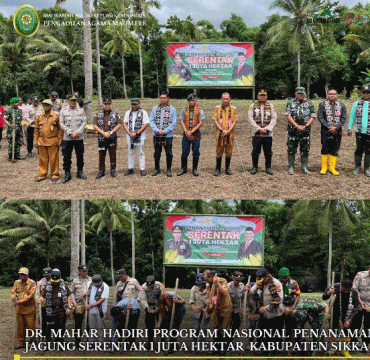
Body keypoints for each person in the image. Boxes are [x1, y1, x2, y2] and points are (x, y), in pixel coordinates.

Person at [245, 268, 284, 355]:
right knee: (264, 332)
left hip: (276, 314)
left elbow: (279, 299)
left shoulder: (276, 284)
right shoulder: (260, 282)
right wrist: (248, 288)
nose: (261, 281)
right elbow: (251, 292)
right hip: (265, 314)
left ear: (267, 276)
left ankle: (274, 351)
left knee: (275, 334)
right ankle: (265, 349)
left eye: (262, 278)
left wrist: (267, 307)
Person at [285, 87, 316, 174]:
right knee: (291, 148)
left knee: (305, 149)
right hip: (293, 130)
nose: (300, 95)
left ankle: (304, 166)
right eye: (298, 93)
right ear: (295, 94)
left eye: (302, 93)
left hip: (305, 131)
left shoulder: (309, 103)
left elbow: (313, 116)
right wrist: (296, 126)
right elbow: (288, 115)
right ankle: (291, 166)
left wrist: (305, 126)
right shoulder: (290, 102)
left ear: (305, 94)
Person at [317, 88, 347, 175]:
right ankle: (324, 168)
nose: (332, 95)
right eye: (330, 94)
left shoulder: (342, 105)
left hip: (337, 131)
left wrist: (336, 127)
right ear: (327, 95)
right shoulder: (322, 104)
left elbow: (344, 118)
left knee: (335, 149)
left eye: (334, 94)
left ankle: (332, 168)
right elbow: (320, 117)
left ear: (337, 95)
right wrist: (328, 126)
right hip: (325, 130)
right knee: (325, 148)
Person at [248, 89, 277, 175]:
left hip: (268, 134)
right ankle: (254, 167)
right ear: (257, 96)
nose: (262, 97)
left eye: (264, 95)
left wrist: (267, 128)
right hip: (256, 133)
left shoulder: (271, 106)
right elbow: (250, 118)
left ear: (266, 96)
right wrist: (258, 128)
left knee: (268, 151)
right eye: (261, 95)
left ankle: (268, 167)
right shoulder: (252, 106)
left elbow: (274, 118)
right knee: (255, 151)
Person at [203, 269, 232, 355]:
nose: (206, 281)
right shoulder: (208, 284)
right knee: (216, 328)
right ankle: (216, 348)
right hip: (216, 308)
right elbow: (209, 295)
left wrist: (217, 284)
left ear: (212, 277)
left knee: (224, 329)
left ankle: (223, 349)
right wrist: (207, 301)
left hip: (225, 308)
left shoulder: (222, 281)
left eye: (207, 279)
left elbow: (225, 293)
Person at [59, 95, 87, 183]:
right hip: (67, 138)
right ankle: (67, 173)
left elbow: (84, 122)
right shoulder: (63, 111)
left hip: (79, 137)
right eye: (71, 101)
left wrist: (77, 132)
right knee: (66, 156)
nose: (73, 102)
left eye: (74, 101)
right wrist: (70, 132)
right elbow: (61, 123)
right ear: (68, 101)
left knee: (80, 155)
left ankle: (80, 172)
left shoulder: (81, 111)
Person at [34, 99, 63, 182]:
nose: (46, 107)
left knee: (54, 159)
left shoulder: (56, 116)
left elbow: (60, 130)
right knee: (42, 159)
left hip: (52, 141)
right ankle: (42, 174)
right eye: (44, 105)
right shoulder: (39, 116)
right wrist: (35, 140)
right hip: (41, 141)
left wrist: (60, 139)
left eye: (47, 105)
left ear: (51, 106)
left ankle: (54, 174)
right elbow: (36, 130)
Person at [39, 269, 72, 342]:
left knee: (61, 327)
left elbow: (69, 295)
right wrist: (41, 299)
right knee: (49, 327)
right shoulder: (47, 285)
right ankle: (48, 341)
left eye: (56, 281)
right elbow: (42, 296)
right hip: (50, 310)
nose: (54, 283)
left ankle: (60, 341)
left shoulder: (64, 285)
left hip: (61, 310)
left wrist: (69, 307)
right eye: (53, 281)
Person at [149, 91, 177, 177]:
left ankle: (168, 169)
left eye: (164, 98)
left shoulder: (172, 109)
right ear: (159, 98)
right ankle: (157, 169)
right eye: (161, 98)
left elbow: (173, 123)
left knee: (168, 152)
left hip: (167, 135)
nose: (163, 99)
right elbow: (151, 121)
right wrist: (157, 130)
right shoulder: (155, 109)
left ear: (168, 98)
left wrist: (164, 131)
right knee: (157, 152)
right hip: (157, 134)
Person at [93, 98, 122, 179]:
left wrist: (111, 132)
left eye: (109, 104)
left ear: (111, 105)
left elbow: (119, 124)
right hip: (102, 137)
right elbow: (95, 125)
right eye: (105, 104)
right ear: (103, 105)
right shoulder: (98, 114)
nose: (107, 106)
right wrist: (103, 133)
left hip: (112, 136)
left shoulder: (115, 114)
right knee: (102, 154)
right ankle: (101, 171)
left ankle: (113, 170)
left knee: (113, 154)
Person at [177, 93, 204, 176]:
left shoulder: (200, 109)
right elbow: (181, 121)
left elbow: (201, 122)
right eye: (190, 100)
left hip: (195, 133)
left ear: (195, 100)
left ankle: (194, 169)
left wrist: (191, 132)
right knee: (185, 151)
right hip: (186, 133)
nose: (192, 102)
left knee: (196, 151)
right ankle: (183, 168)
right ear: (188, 101)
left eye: (193, 100)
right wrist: (186, 131)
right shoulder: (184, 109)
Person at [112, 269, 142, 344]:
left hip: (132, 306)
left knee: (132, 325)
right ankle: (120, 341)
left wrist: (137, 300)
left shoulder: (133, 281)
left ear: (125, 274)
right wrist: (115, 306)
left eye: (121, 276)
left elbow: (141, 290)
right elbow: (116, 295)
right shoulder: (119, 283)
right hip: (122, 307)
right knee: (121, 324)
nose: (120, 278)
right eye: (119, 277)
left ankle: (131, 342)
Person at [11, 267, 36, 350]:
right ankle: (20, 343)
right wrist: (13, 297)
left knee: (30, 327)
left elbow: (30, 296)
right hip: (19, 309)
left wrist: (19, 301)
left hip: (29, 309)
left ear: (27, 275)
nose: (22, 276)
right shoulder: (16, 283)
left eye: (24, 274)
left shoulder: (32, 283)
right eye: (21, 274)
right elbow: (13, 292)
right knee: (20, 327)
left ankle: (32, 343)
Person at [123, 98, 150, 176]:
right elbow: (125, 123)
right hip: (130, 137)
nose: (134, 106)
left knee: (141, 153)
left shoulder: (143, 113)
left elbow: (145, 124)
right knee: (130, 153)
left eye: (135, 104)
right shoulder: (128, 113)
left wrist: (137, 133)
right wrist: (129, 133)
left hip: (140, 137)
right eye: (133, 104)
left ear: (139, 104)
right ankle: (130, 168)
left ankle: (142, 169)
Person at [213, 92, 238, 176]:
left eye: (227, 99)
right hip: (219, 134)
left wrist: (228, 131)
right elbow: (215, 120)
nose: (225, 100)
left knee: (229, 151)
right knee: (219, 151)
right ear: (221, 99)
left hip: (229, 134)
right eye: (223, 99)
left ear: (230, 99)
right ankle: (217, 169)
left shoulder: (233, 109)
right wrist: (221, 130)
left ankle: (227, 168)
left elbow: (234, 121)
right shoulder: (217, 108)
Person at [347, 85, 370, 176]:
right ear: (361, 93)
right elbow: (352, 116)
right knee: (359, 149)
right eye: (364, 93)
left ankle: (367, 169)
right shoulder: (357, 103)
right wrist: (350, 127)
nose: (366, 95)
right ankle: (357, 167)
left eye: (368, 93)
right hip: (359, 131)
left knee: (369, 150)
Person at [139, 275, 164, 345]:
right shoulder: (143, 287)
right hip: (148, 305)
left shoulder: (160, 285)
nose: (151, 287)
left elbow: (162, 297)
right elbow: (143, 299)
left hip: (158, 305)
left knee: (161, 324)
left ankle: (162, 341)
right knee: (149, 325)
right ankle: (150, 342)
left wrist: (157, 307)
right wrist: (147, 308)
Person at [278, 267, 301, 345]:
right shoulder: (277, 283)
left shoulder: (294, 283)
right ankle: (279, 345)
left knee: (290, 327)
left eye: (285, 277)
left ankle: (289, 345)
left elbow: (298, 294)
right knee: (279, 327)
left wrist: (294, 305)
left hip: (290, 307)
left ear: (288, 275)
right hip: (280, 308)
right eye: (282, 278)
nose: (284, 279)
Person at [70, 265, 91, 346]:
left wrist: (87, 293)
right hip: (78, 304)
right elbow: (71, 292)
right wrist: (73, 302)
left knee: (89, 323)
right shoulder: (75, 281)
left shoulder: (91, 280)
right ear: (79, 272)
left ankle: (89, 340)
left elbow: (94, 291)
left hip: (88, 304)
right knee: (78, 324)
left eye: (86, 271)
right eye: (83, 271)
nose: (85, 272)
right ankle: (77, 341)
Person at [85, 274, 109, 343]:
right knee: (91, 327)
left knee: (100, 327)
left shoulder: (105, 287)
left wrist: (91, 305)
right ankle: (91, 342)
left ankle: (100, 342)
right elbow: (86, 294)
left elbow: (102, 299)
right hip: (91, 311)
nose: (96, 285)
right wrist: (84, 295)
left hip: (100, 311)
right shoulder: (89, 284)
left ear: (101, 280)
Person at [352, 268, 370, 348]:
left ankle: (365, 345)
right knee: (356, 324)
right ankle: (353, 343)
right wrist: (359, 301)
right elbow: (354, 288)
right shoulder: (360, 274)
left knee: (368, 326)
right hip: (358, 303)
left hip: (369, 304)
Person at [189, 273, 210, 343]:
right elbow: (191, 299)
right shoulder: (194, 289)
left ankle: (202, 343)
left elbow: (214, 298)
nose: (200, 285)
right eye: (198, 283)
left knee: (204, 329)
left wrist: (210, 301)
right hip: (197, 311)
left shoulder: (209, 289)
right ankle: (194, 342)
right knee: (196, 328)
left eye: (201, 283)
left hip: (206, 311)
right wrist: (192, 305)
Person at [4, 97, 25, 162]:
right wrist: (10, 124)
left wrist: (23, 122)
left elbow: (22, 118)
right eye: (16, 102)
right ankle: (11, 156)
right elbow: (5, 119)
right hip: (12, 129)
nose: (17, 104)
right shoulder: (8, 111)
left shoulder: (19, 110)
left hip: (19, 129)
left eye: (18, 102)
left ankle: (17, 155)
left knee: (19, 142)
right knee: (12, 143)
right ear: (12, 103)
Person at [36, 267, 52, 337]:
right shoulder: (40, 283)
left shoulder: (55, 280)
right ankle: (44, 335)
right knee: (43, 321)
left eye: (48, 275)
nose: (47, 277)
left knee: (52, 321)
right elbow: (37, 294)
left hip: (52, 305)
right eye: (46, 276)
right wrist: (38, 300)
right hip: (43, 305)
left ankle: (53, 335)